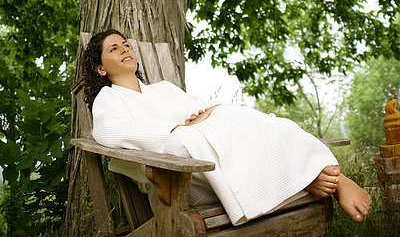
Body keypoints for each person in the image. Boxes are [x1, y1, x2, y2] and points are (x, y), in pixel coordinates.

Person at [83, 29, 372, 226]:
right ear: (100, 68)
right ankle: (304, 175)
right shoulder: (108, 100)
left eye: (126, 45)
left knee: (233, 114)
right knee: (188, 139)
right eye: (114, 48)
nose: (124, 50)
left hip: (214, 156)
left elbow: (195, 107)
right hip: (184, 177)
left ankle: (325, 176)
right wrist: (174, 131)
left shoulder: (163, 89)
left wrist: (204, 114)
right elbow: (108, 133)